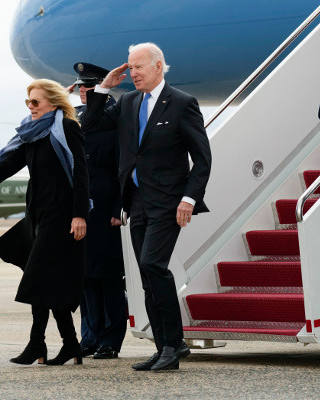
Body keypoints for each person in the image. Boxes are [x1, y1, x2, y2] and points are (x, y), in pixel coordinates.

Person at [83, 43, 212, 371]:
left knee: (154, 265)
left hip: (169, 202)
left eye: (138, 67)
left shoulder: (182, 103)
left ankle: (173, 344)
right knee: (144, 274)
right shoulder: (127, 101)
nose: (133, 73)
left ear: (158, 66)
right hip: (136, 202)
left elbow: (202, 158)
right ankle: (166, 345)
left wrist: (189, 197)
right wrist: (103, 88)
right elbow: (92, 125)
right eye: (130, 67)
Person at [0, 79, 89, 366]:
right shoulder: (33, 134)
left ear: (53, 103)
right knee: (46, 280)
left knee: (38, 277)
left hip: (62, 216)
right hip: (37, 214)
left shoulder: (67, 129)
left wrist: (80, 214)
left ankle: (38, 343)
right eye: (28, 103)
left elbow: (81, 173)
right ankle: (70, 344)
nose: (30, 107)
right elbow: (9, 164)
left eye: (35, 102)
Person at [67, 62, 127, 359]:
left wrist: (121, 205)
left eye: (87, 88)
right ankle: (89, 336)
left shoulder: (116, 115)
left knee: (108, 276)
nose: (82, 92)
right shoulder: (75, 118)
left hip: (106, 207)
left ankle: (110, 339)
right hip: (80, 207)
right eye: (79, 88)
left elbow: (125, 166)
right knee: (85, 276)